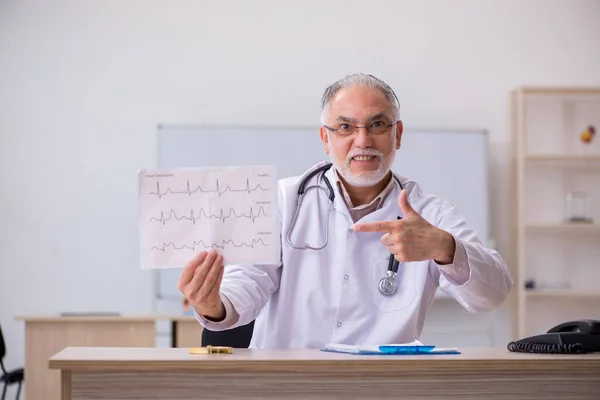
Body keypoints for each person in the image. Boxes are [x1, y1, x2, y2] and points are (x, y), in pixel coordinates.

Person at [177, 73, 513, 349]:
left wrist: (445, 248)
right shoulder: (283, 199)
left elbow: (493, 294)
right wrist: (213, 306)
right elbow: (249, 282)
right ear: (325, 138)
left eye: (377, 125)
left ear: (397, 135)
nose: (363, 140)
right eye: (345, 127)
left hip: (382, 387)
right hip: (288, 385)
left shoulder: (429, 213)